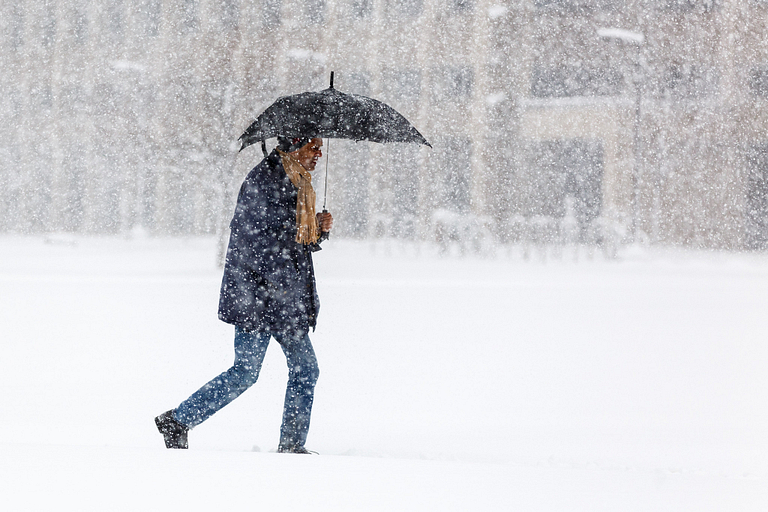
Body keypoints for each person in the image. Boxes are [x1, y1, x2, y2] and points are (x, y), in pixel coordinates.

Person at [155, 136, 333, 454]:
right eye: (313, 147)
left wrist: (317, 230)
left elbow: (291, 243)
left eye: (320, 148)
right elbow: (259, 243)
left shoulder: (295, 182)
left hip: (281, 299)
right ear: (294, 146)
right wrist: (301, 235)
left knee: (302, 369)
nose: (318, 154)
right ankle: (178, 420)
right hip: (259, 298)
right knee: (247, 372)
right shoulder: (266, 180)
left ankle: (291, 444)